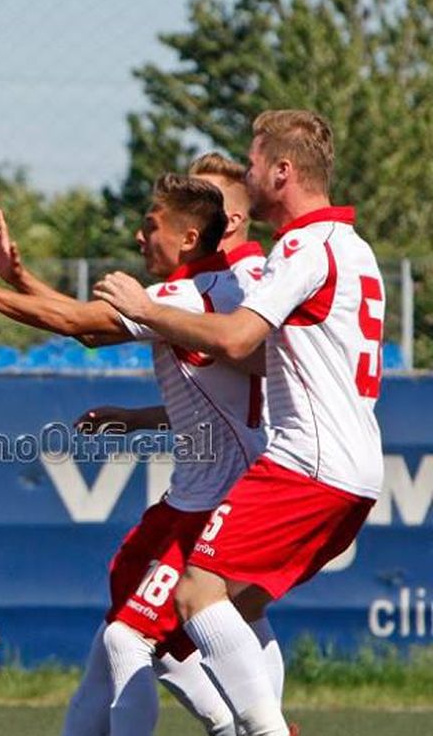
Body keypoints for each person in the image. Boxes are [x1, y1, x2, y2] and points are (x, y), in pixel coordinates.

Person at [0, 173, 266, 736]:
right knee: (111, 648)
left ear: (190, 237)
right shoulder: (219, 291)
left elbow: (76, 324)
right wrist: (17, 277)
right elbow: (90, 326)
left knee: (127, 638)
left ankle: (248, 727)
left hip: (215, 505)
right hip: (192, 497)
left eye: (150, 226)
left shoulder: (184, 295)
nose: (139, 237)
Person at [94, 109, 384, 736]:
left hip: (306, 461)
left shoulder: (306, 245)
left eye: (254, 163)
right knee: (226, 614)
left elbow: (236, 337)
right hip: (357, 471)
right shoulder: (356, 248)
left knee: (197, 592)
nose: (247, 174)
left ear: (283, 171)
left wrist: (146, 309)